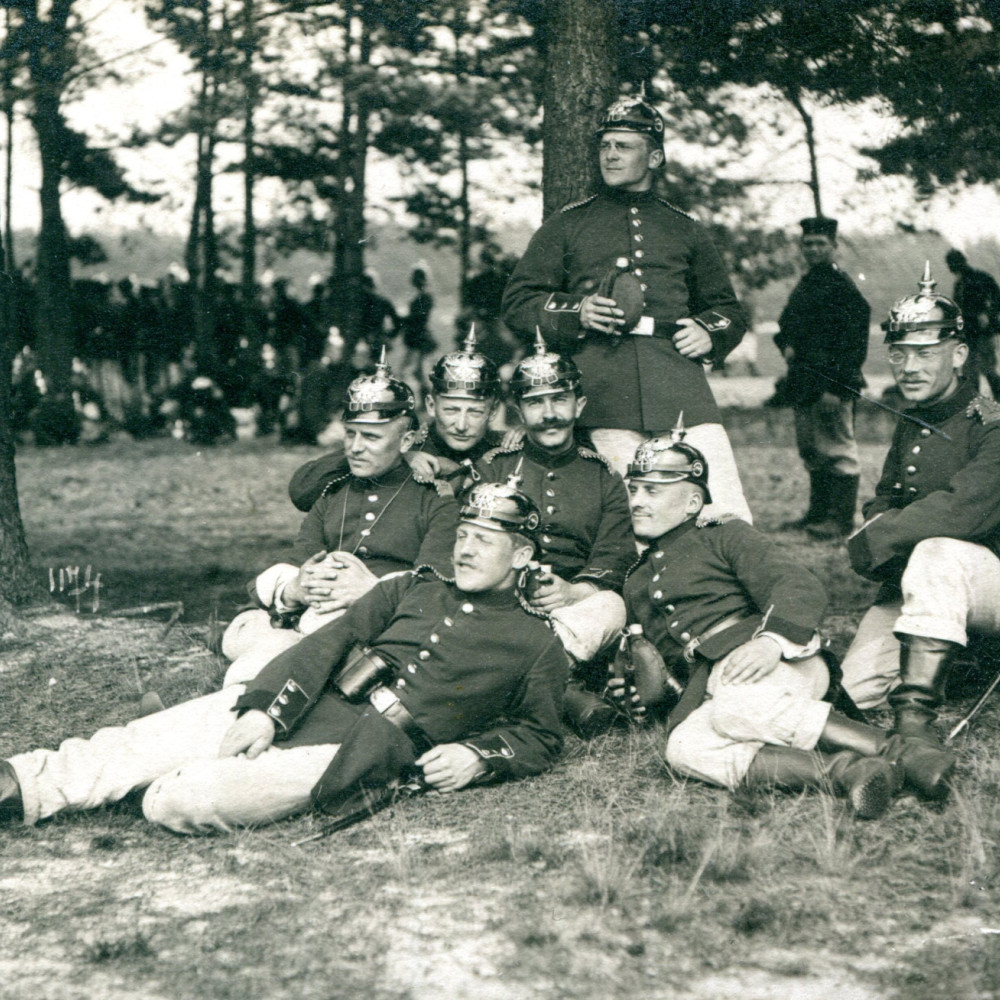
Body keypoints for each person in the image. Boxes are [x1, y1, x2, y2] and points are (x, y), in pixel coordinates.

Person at [0, 482, 568, 834]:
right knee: (146, 736)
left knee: (177, 802)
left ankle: (151, 788)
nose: (466, 548)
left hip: (361, 752)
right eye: (463, 533)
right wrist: (265, 710)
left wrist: (477, 755)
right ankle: (22, 785)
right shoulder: (414, 587)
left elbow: (540, 735)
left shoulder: (537, 641)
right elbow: (328, 641)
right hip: (308, 701)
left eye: (485, 540)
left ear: (520, 554)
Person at [617, 432, 955, 818]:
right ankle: (851, 772)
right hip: (711, 685)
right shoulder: (636, 581)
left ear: (693, 501)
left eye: (653, 491)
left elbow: (798, 585)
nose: (637, 502)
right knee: (683, 748)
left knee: (734, 709)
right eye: (635, 490)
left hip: (780, 659)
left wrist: (771, 641)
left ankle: (906, 754)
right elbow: (656, 666)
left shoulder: (724, 534)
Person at [501, 94, 751, 522]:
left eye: (624, 145)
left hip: (679, 385)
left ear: (654, 156)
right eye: (605, 146)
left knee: (721, 507)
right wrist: (576, 312)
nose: (611, 155)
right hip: (602, 389)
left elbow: (727, 308)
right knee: (635, 515)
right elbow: (518, 301)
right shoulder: (569, 224)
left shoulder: (684, 228)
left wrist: (709, 331)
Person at [221, 355, 458, 686]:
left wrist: (373, 591)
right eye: (350, 435)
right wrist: (296, 588)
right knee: (251, 638)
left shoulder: (435, 500)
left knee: (265, 662)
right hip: (317, 617)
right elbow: (300, 558)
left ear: (406, 441)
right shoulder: (334, 493)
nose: (356, 449)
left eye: (371, 437)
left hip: (385, 630)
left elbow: (438, 584)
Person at [840, 265, 1000, 749]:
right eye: (898, 354)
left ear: (959, 355)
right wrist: (878, 520)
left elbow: (962, 511)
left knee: (939, 550)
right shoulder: (915, 420)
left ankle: (914, 726)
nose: (909, 368)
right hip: (922, 584)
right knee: (852, 688)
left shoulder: (991, 423)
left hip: (986, 582)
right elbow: (885, 496)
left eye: (926, 354)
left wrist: (877, 538)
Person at [477, 334, 632, 734]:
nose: (549, 414)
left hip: (571, 609)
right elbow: (472, 543)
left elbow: (613, 556)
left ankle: (515, 684)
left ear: (578, 405)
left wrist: (572, 592)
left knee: (610, 606)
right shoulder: (494, 467)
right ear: (518, 411)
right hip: (503, 603)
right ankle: (558, 690)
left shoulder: (603, 476)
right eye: (534, 402)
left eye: (559, 400)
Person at [290, 330, 504, 510]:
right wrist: (395, 457)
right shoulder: (407, 444)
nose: (461, 424)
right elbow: (302, 491)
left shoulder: (508, 449)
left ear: (493, 411)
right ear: (430, 405)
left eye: (475, 412)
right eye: (451, 410)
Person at [775, 217, 871, 539]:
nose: (814, 249)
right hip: (804, 381)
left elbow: (854, 341)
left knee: (838, 450)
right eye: (808, 243)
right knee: (813, 450)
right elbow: (787, 323)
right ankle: (818, 514)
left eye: (821, 244)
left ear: (834, 247)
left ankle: (841, 520)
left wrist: (838, 387)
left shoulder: (841, 286)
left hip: (831, 384)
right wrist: (787, 343)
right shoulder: (807, 283)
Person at [944, 248, 1000, 397]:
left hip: (982, 332)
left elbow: (997, 298)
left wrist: (989, 315)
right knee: (971, 372)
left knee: (986, 369)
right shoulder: (960, 284)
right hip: (968, 333)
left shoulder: (979, 278)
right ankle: (974, 403)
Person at [401, 266, 436, 394]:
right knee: (419, 370)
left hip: (419, 337)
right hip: (418, 336)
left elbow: (418, 317)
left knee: (416, 370)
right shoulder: (423, 297)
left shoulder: (424, 297)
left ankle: (426, 397)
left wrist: (404, 320)